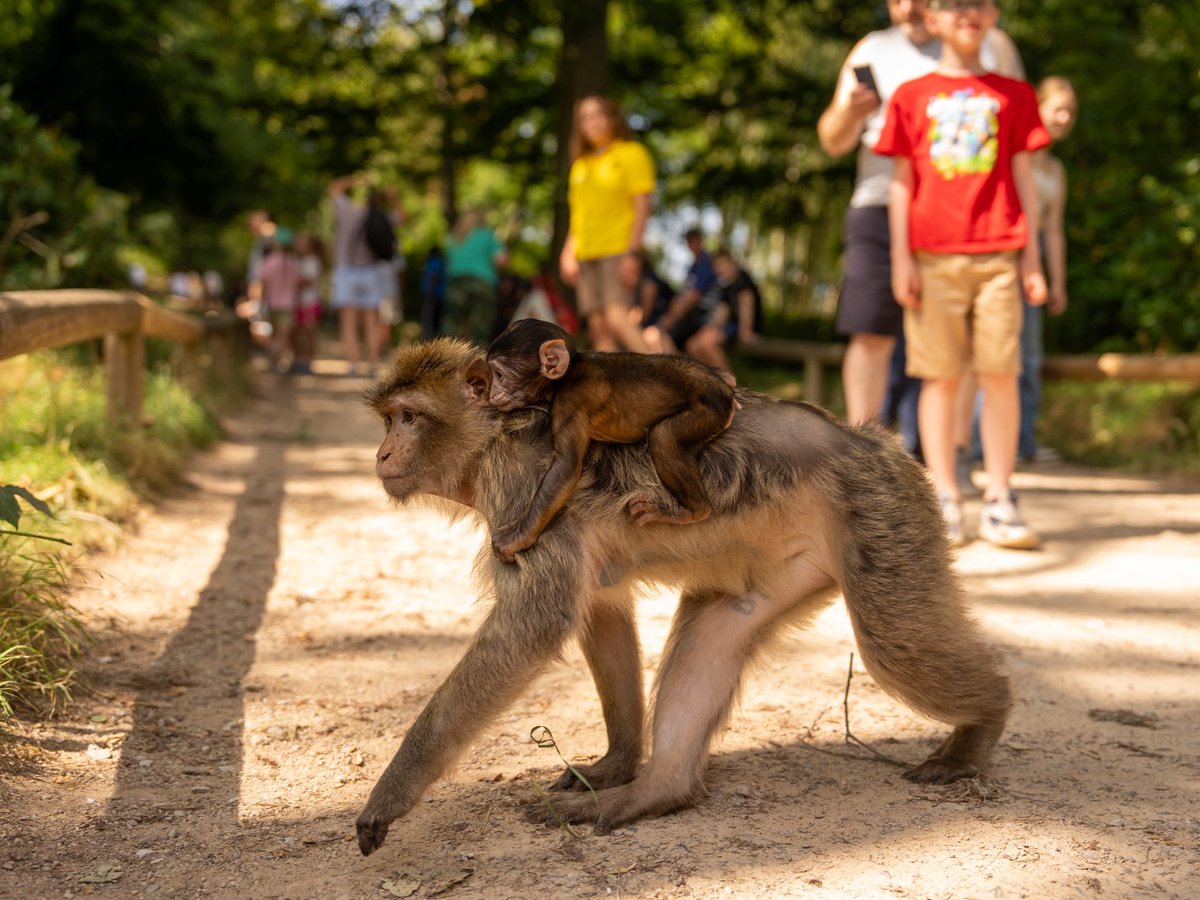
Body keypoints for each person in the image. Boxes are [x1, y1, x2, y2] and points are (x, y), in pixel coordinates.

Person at [875, 0, 1049, 549]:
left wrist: (1032, 258)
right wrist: (901, 258)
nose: (967, 12)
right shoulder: (911, 94)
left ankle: (999, 496)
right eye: (953, 3)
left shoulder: (1015, 95)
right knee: (939, 375)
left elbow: (1026, 178)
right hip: (931, 256)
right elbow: (901, 183)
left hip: (1000, 253)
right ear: (932, 16)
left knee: (1000, 372)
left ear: (995, 14)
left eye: (979, 2)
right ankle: (943, 496)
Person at [817, 0, 1024, 433]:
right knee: (872, 329)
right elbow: (832, 140)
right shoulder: (871, 49)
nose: (907, 5)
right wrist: (850, 112)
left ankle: (951, 454)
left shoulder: (990, 42)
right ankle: (862, 456)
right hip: (878, 202)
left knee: (966, 344)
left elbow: (1018, 137)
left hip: (969, 215)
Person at [559, 94, 654, 353]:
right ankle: (615, 394)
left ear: (612, 118)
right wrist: (568, 252)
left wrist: (633, 254)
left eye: (598, 114)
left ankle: (676, 383)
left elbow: (643, 207)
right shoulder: (580, 167)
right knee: (599, 329)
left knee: (618, 319)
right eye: (585, 117)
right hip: (586, 253)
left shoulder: (631, 153)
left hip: (618, 249)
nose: (592, 122)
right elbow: (578, 216)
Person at [328, 173, 403, 376]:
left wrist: (358, 178)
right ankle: (372, 363)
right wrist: (392, 196)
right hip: (371, 272)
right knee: (372, 321)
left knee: (349, 322)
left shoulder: (347, 212)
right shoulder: (381, 218)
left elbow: (334, 188)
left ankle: (352, 364)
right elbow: (402, 217)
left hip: (346, 271)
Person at [675, 248, 763, 372]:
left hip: (745, 327)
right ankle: (710, 383)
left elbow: (746, 305)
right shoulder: (727, 285)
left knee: (708, 343)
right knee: (693, 345)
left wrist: (745, 331)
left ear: (733, 262)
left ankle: (729, 386)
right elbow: (722, 311)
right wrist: (711, 327)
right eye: (716, 267)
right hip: (731, 325)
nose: (719, 269)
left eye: (722, 265)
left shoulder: (743, 280)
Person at [443, 209, 509, 344]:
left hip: (456, 281)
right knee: (481, 324)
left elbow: (449, 258)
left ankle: (446, 358)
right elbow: (501, 260)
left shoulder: (453, 237)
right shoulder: (487, 235)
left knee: (453, 322)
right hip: (482, 282)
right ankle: (477, 357)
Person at [657, 228, 717, 354]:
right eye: (689, 242)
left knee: (663, 334)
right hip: (690, 315)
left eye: (694, 241)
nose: (692, 245)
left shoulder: (706, 263)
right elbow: (683, 295)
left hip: (701, 316)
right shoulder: (694, 266)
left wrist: (671, 318)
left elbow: (694, 297)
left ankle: (677, 371)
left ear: (701, 241)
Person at [257, 226, 302, 372]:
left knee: (275, 336)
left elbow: (263, 284)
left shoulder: (268, 262)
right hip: (289, 304)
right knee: (283, 336)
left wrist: (261, 301)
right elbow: (298, 283)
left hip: (272, 303)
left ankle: (273, 362)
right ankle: (277, 362)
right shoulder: (294, 262)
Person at [293, 232, 325, 375]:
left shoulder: (313, 261)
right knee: (298, 331)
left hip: (310, 302)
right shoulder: (298, 261)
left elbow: (309, 280)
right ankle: (299, 359)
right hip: (299, 303)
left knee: (309, 331)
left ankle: (309, 361)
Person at [418, 246, 447, 340]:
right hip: (437, 294)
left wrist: (430, 291)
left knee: (430, 318)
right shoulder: (440, 261)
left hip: (433, 295)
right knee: (434, 319)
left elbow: (434, 277)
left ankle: (429, 339)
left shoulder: (434, 261)